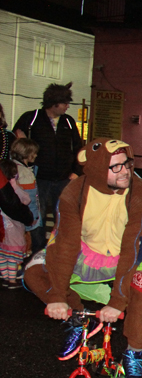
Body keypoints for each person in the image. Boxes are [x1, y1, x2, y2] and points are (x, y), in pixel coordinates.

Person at [24, 138, 142, 378]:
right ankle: (77, 320)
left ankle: (134, 353)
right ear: (98, 170)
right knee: (35, 271)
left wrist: (117, 301)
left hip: (135, 252)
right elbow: (65, 244)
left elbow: (132, 250)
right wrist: (56, 297)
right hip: (88, 251)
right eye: (116, 167)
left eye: (127, 164)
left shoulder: (141, 193)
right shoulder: (74, 193)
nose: (125, 172)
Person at [13, 83, 83, 253]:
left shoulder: (69, 121)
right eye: (65, 102)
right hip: (39, 179)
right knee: (38, 216)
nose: (68, 106)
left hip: (64, 178)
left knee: (66, 215)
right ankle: (38, 251)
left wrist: (76, 172)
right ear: (54, 103)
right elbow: (17, 135)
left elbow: (79, 148)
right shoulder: (33, 118)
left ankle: (61, 250)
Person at [0, 160, 31, 287]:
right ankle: (12, 280)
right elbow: (25, 200)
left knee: (3, 254)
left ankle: (5, 276)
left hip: (3, 228)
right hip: (15, 228)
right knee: (13, 255)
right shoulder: (12, 189)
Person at [9, 138, 42, 258]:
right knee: (35, 245)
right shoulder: (24, 172)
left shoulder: (13, 167)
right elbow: (30, 198)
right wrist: (33, 217)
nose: (36, 155)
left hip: (20, 217)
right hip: (29, 218)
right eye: (33, 152)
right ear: (26, 153)